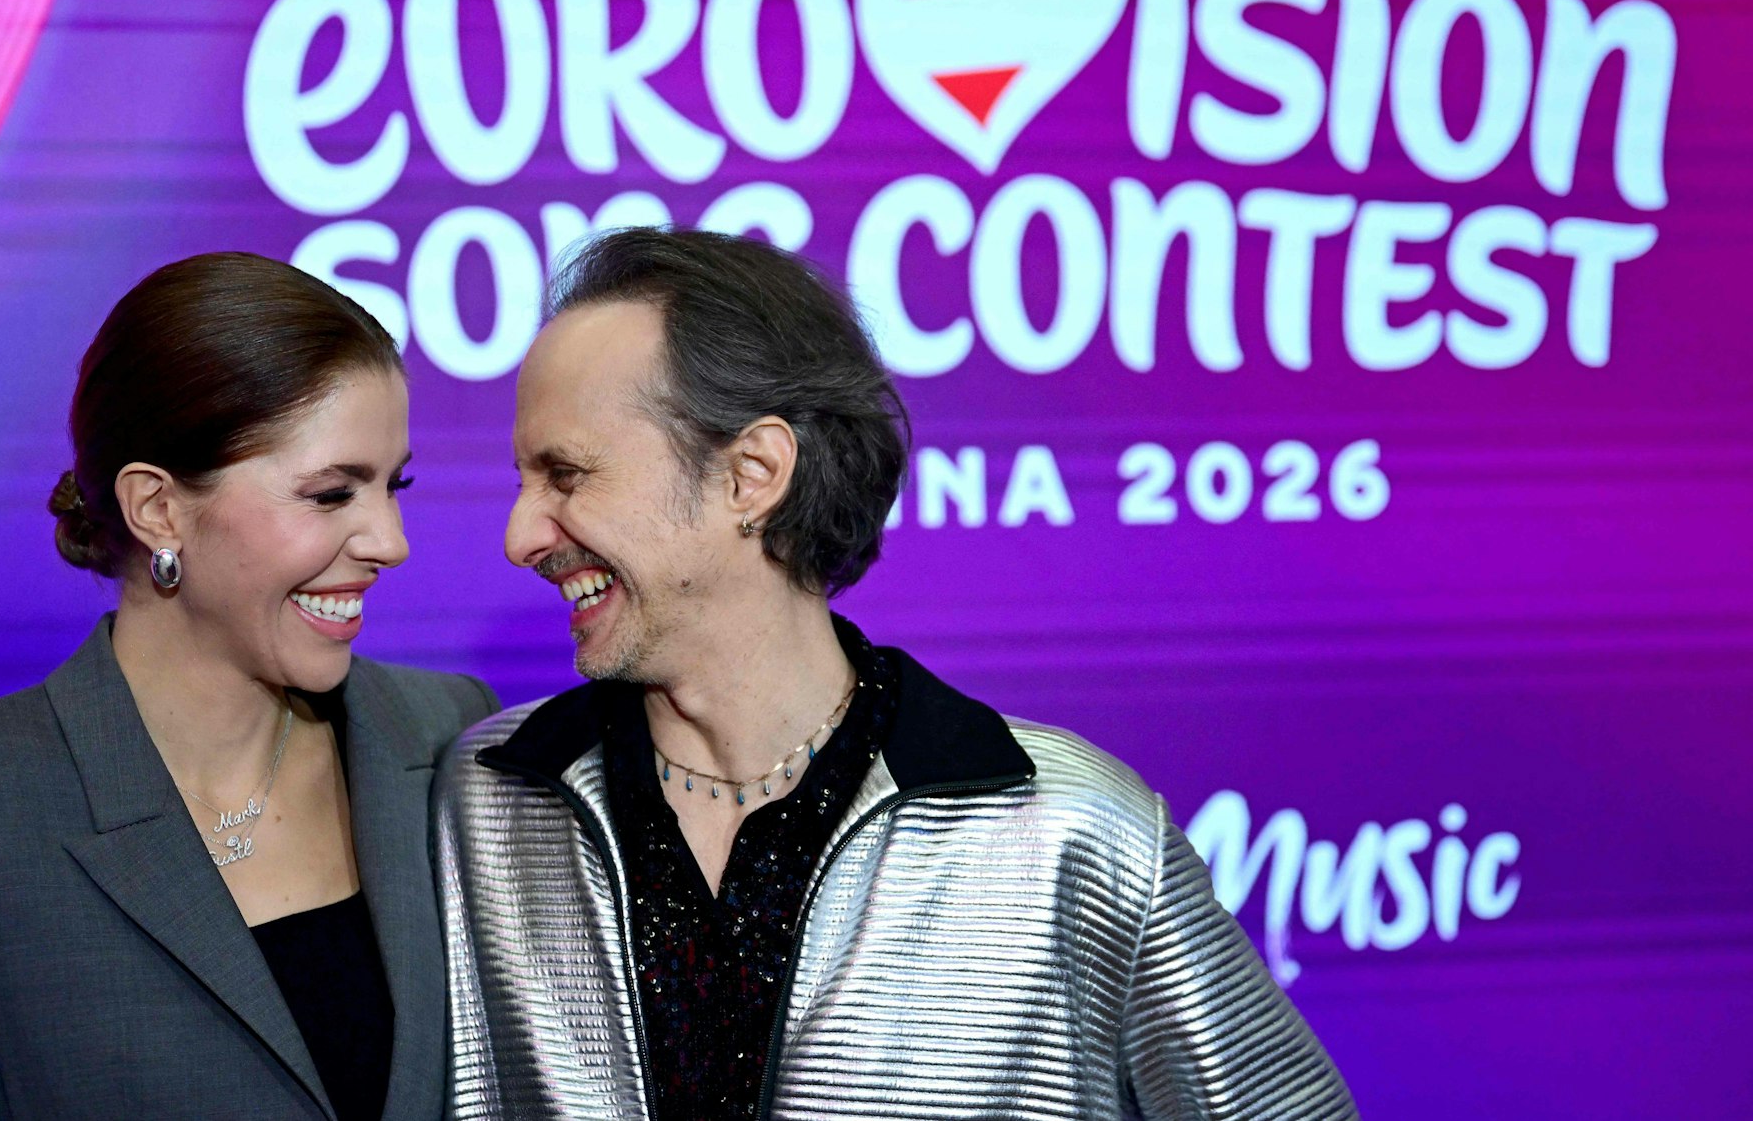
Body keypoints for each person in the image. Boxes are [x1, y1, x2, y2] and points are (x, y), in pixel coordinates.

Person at [434, 228, 1357, 1120]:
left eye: (565, 474)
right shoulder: (482, 804)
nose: (520, 535)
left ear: (751, 474)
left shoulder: (1067, 830)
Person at [0, 252, 495, 1120]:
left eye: (392, 485)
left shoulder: (449, 734)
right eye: (332, 494)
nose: (390, 539)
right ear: (157, 509)